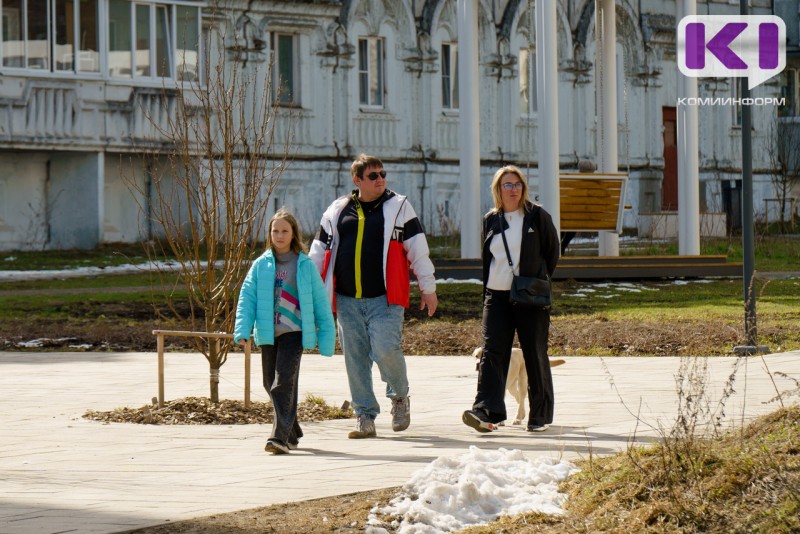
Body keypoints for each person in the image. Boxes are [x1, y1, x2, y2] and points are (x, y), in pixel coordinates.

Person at [309, 153, 438, 439]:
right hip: (346, 298)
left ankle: (400, 397)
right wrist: (309, 290)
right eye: (373, 176)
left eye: (382, 174)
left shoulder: (399, 207)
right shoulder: (337, 209)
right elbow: (318, 251)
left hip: (386, 297)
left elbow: (418, 248)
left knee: (385, 349)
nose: (380, 179)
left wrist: (427, 288)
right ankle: (364, 415)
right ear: (357, 180)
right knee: (355, 358)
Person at [463, 165, 560, 433]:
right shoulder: (491, 219)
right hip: (496, 296)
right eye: (507, 184)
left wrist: (537, 280)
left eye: (517, 184)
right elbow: (490, 259)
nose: (513, 189)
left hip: (530, 297)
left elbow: (552, 252)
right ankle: (487, 412)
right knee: (492, 353)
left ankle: (539, 415)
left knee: (534, 353)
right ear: (498, 189)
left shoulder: (537, 217)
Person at [234, 208, 336, 454]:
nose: (279, 235)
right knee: (269, 383)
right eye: (275, 230)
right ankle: (292, 430)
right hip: (268, 332)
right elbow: (246, 298)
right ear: (269, 234)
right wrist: (243, 329)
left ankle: (278, 437)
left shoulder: (304, 265)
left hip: (294, 331)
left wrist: (326, 335)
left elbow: (320, 301)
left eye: (284, 231)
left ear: (293, 234)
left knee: (283, 382)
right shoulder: (260, 266)